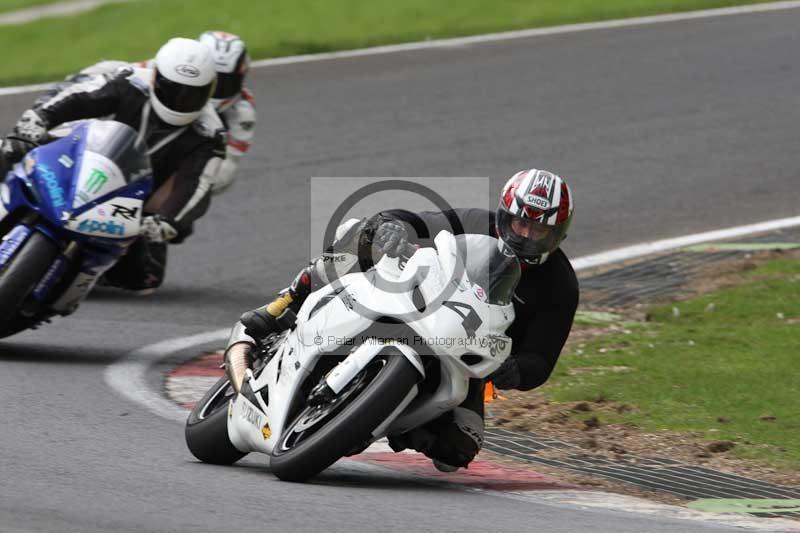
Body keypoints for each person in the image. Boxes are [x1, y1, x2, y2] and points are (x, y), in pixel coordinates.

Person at [228, 169, 579, 470]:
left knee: (458, 449)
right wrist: (391, 226)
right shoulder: (475, 223)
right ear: (505, 216)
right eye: (522, 223)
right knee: (361, 236)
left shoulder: (560, 286)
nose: (527, 236)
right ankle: (284, 303)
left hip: (463, 353)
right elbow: (419, 220)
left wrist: (516, 371)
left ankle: (389, 421)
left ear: (558, 233)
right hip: (413, 301)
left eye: (540, 231)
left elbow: (542, 359)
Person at [0, 37, 226, 293]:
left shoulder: (209, 133)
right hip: (77, 158)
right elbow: (80, 97)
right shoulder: (130, 82)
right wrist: (40, 118)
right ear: (155, 78)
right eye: (173, 89)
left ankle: (76, 273)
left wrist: (169, 221)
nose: (181, 100)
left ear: (208, 91)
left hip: (130, 202)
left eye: (192, 94)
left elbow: (197, 184)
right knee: (6, 150)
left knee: (144, 277)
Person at [30, 30, 256, 197]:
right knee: (31, 141)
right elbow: (111, 78)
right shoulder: (159, 68)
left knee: (177, 224)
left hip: (164, 170)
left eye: (226, 82)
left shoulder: (242, 113)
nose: (188, 92)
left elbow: (227, 170)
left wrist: (194, 173)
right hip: (114, 141)